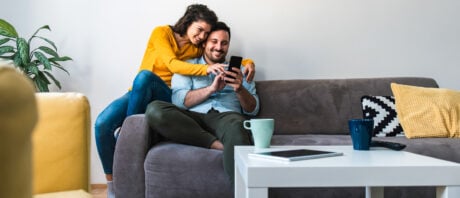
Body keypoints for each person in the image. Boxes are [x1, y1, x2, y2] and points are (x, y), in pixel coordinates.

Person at [94, 4, 255, 198]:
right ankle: (113, 184)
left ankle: (244, 193)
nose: (203, 37)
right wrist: (208, 77)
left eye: (207, 33)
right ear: (188, 22)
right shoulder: (164, 35)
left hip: (194, 104)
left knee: (235, 126)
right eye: (201, 31)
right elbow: (174, 73)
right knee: (103, 123)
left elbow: (251, 106)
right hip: (149, 92)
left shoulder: (201, 51)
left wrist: (246, 66)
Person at [145, 21, 259, 186]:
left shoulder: (241, 70)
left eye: (224, 43)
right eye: (214, 41)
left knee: (237, 125)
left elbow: (253, 110)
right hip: (192, 118)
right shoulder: (188, 66)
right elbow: (179, 102)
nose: (219, 47)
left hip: (227, 118)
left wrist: (240, 89)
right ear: (204, 42)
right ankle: (216, 144)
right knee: (155, 109)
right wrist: (211, 89)